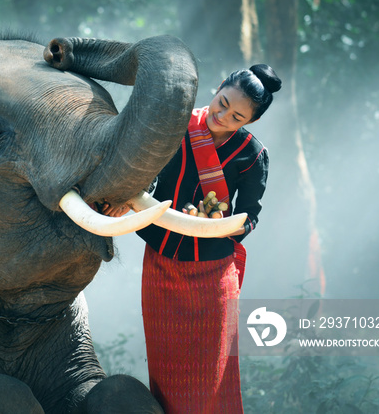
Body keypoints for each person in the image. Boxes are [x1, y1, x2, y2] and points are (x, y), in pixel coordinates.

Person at [103, 64, 281, 413]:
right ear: (217, 88)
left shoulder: (253, 155)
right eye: (223, 103)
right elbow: (146, 176)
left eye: (236, 116)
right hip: (162, 261)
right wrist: (125, 200)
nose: (223, 115)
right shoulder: (175, 127)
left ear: (250, 122)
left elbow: (250, 215)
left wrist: (219, 223)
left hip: (212, 274)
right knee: (166, 368)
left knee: (211, 374)